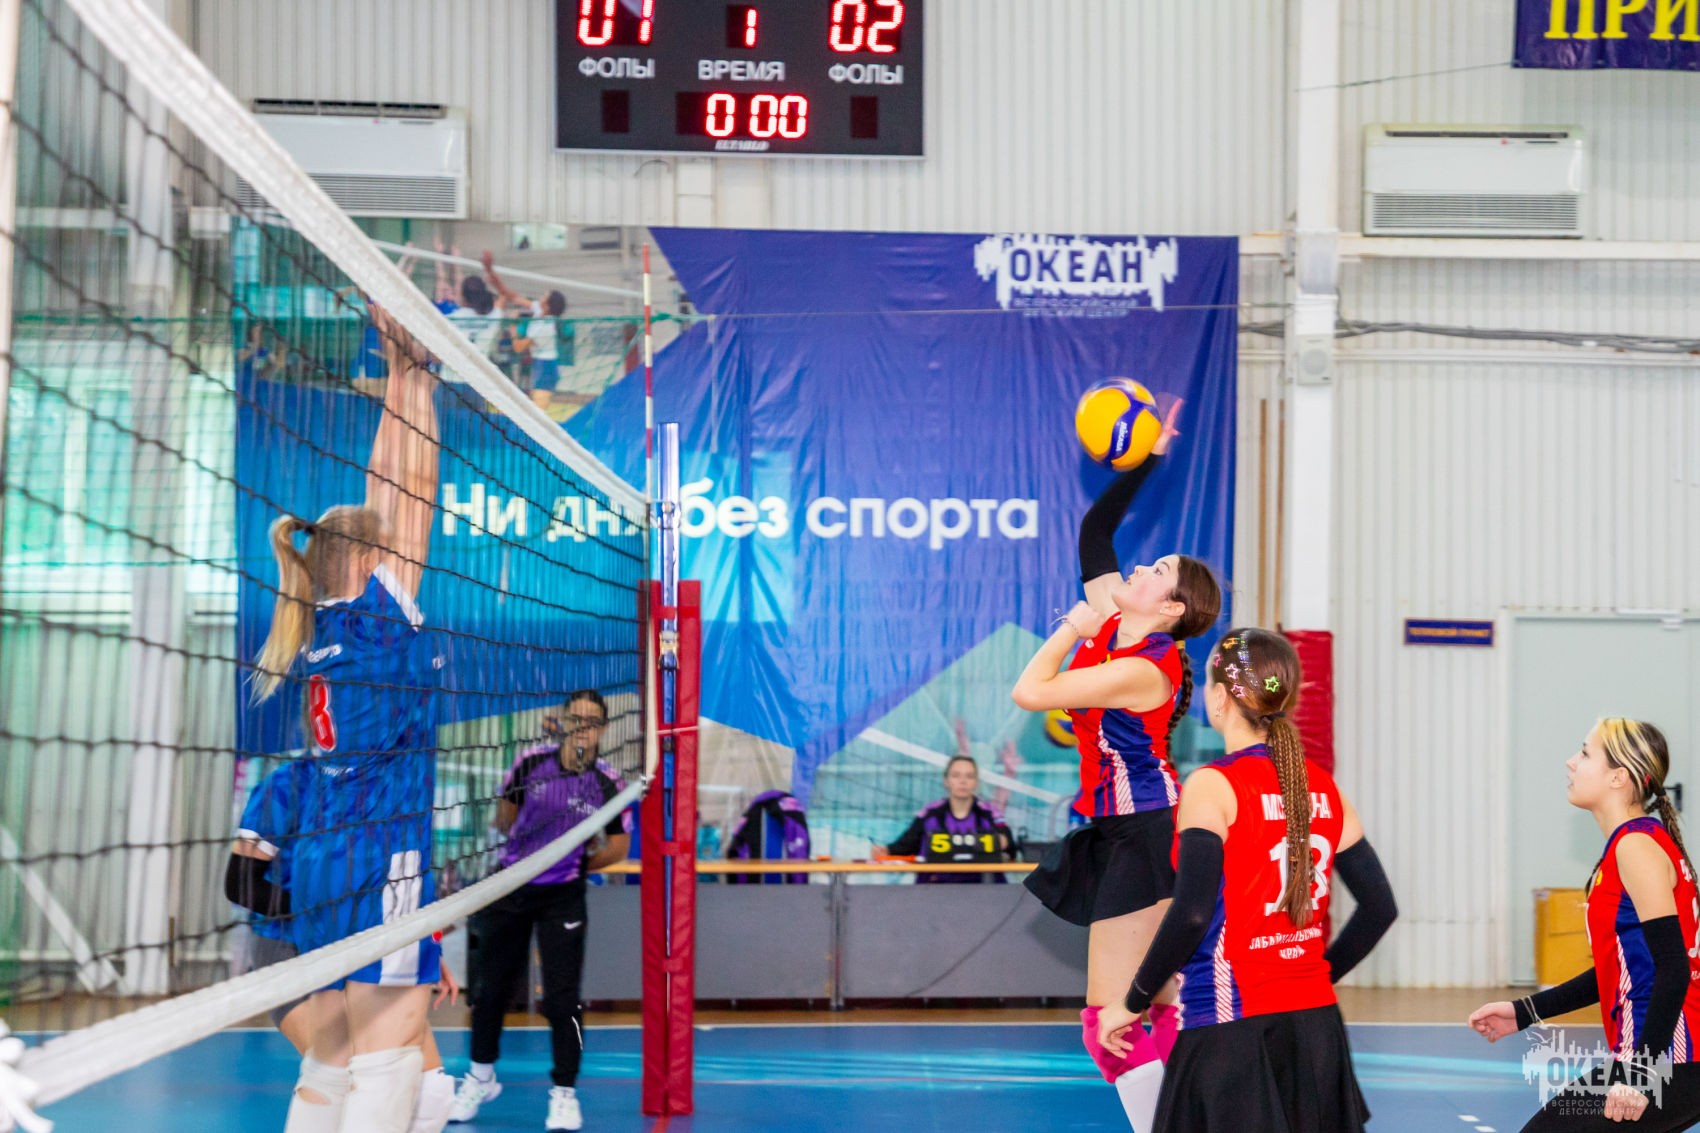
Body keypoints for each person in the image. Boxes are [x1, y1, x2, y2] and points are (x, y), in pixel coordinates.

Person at [250, 304, 445, 1133]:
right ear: (367, 560)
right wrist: (417, 377)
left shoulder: (316, 626)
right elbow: (411, 487)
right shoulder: (376, 621)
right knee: (386, 1055)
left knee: (329, 1057)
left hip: (323, 863)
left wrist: (400, 375)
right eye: (385, 541)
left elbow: (384, 489)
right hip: (381, 855)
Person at [1010, 401, 1222, 1126]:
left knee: (1111, 1024)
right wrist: (1149, 458)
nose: (1141, 565)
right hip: (1126, 829)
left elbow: (1030, 691)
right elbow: (1095, 530)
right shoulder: (1118, 615)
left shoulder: (1142, 666)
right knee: (1153, 1007)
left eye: (1159, 571)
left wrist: (1071, 626)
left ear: (1170, 610)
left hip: (1148, 831)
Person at [1095, 628, 1398, 1133]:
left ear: (1219, 698)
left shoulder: (1213, 785)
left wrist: (1132, 1002)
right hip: (1316, 1024)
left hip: (1229, 1023)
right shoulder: (1323, 786)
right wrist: (1316, 976)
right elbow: (1380, 908)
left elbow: (1192, 913)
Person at [1469, 719, 1700, 1131]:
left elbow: (1673, 969)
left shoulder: (1636, 847)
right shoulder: (1631, 844)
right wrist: (1525, 1011)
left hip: (1672, 1059)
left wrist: (1641, 1073)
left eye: (1585, 753)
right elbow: (1620, 969)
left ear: (1618, 777)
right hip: (1657, 1058)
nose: (1571, 762)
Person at [227, 758, 459, 1133]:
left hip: (363, 949)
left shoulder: (389, 784)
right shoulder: (289, 782)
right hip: (287, 949)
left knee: (432, 1094)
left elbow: (396, 885)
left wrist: (423, 949)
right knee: (342, 1073)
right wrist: (323, 918)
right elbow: (240, 884)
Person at [449, 690, 632, 1132]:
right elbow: (503, 819)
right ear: (563, 722)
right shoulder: (530, 763)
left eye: (591, 721)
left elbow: (618, 847)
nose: (583, 727)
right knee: (490, 990)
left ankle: (564, 1092)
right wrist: (528, 854)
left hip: (563, 894)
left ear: (604, 729)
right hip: (512, 885)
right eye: (576, 718)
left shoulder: (608, 783)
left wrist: (574, 861)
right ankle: (480, 1077)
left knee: (562, 998)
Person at [873, 722, 1017, 884]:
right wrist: (885, 850)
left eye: (969, 776)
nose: (962, 781)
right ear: (946, 780)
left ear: (976, 782)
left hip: (983, 889)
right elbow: (904, 846)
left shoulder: (989, 813)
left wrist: (1001, 842)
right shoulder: (930, 814)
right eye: (956, 775)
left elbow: (1009, 845)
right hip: (935, 889)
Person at [481, 250, 570, 410]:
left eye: (544, 296)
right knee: (535, 411)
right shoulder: (539, 310)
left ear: (547, 306)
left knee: (538, 413)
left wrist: (513, 326)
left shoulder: (544, 328)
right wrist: (490, 270)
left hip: (546, 367)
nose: (541, 296)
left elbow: (518, 347)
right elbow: (510, 295)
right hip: (540, 364)